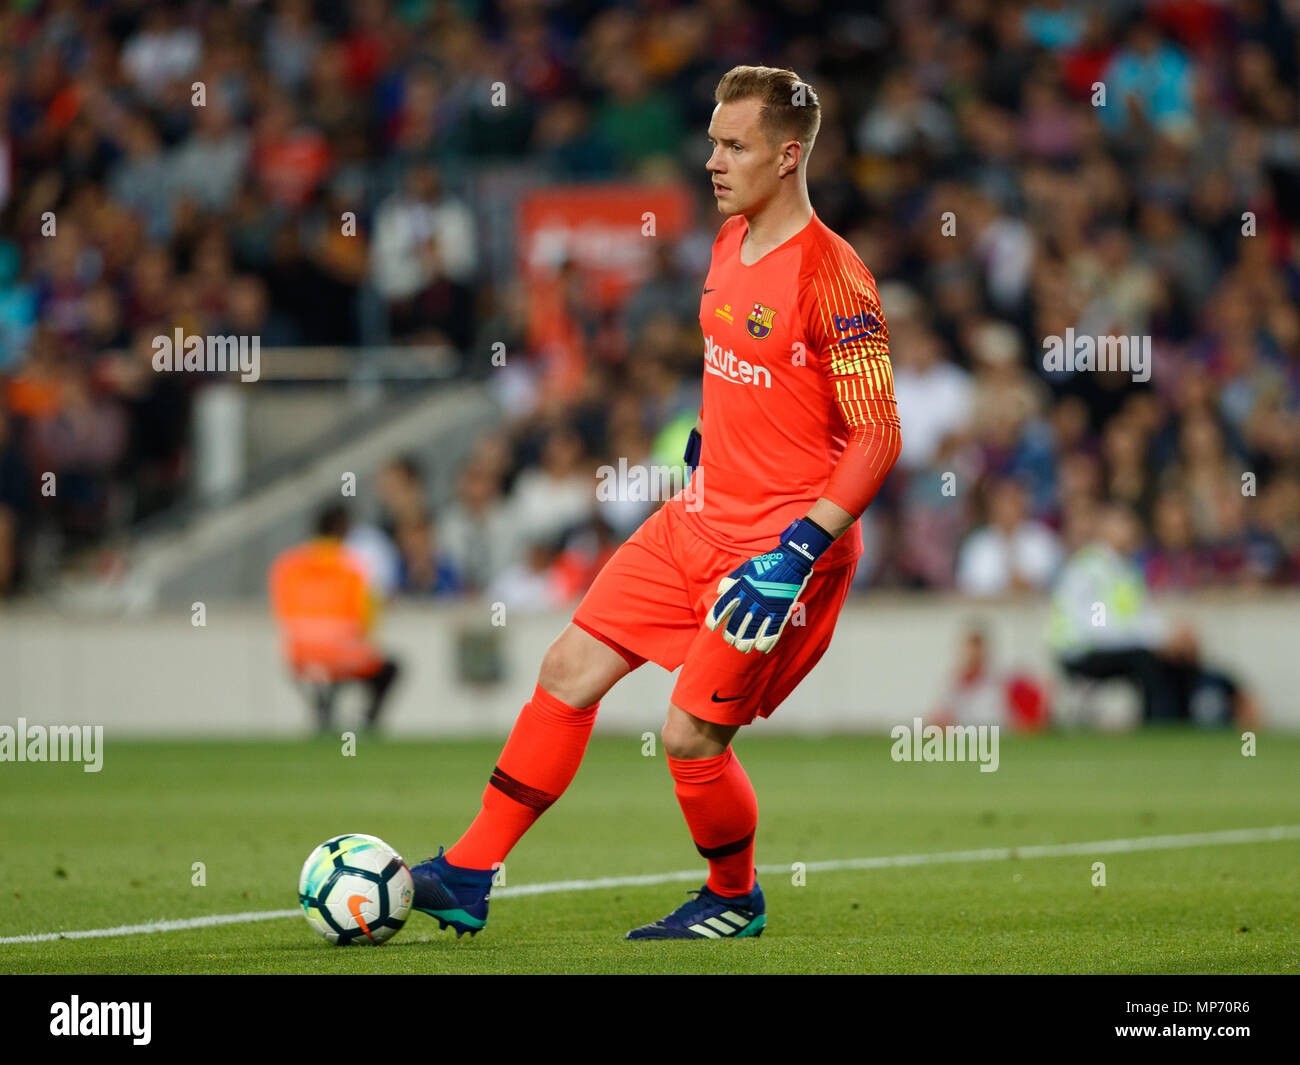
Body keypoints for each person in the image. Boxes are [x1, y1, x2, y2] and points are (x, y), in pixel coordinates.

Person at [408, 66, 903, 940]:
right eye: (710, 141)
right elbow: (745, 379)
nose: (711, 160)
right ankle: (468, 869)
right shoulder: (726, 242)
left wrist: (797, 551)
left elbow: (876, 437)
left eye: (732, 145)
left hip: (779, 551)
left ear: (789, 157)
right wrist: (710, 447)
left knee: (689, 739)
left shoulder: (835, 278)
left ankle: (734, 897)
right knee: (566, 669)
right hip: (695, 517)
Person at [1049, 502, 1258, 727]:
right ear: (1104, 527)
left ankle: (1184, 722)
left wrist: (1170, 639)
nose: (1130, 529)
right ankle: (1159, 723)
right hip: (1081, 651)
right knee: (1146, 660)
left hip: (1115, 646)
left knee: (1175, 661)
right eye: (1123, 522)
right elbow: (1097, 628)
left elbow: (1140, 618)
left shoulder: (1126, 570)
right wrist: (1157, 642)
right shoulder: (1088, 569)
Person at [268, 505, 401, 733]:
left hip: (300, 653)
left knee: (330, 672)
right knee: (388, 669)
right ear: (341, 528)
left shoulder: (288, 565)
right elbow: (365, 615)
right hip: (342, 653)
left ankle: (324, 710)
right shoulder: (351, 565)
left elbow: (282, 611)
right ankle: (368, 722)